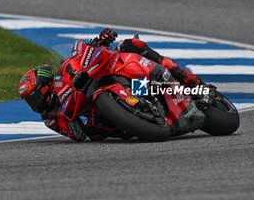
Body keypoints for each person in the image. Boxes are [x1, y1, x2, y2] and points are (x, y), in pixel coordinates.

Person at [18, 28, 202, 142]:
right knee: (97, 131)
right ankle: (141, 116)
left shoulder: (63, 73)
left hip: (103, 77)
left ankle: (186, 78)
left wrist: (102, 39)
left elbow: (81, 53)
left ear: (44, 86)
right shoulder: (50, 118)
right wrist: (68, 118)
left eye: (34, 97)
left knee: (130, 45)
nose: (34, 104)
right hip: (100, 115)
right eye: (30, 101)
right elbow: (77, 135)